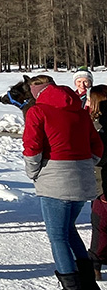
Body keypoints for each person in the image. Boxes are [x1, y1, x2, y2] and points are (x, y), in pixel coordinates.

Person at [23, 74, 103, 289]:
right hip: (83, 178)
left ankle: (71, 284)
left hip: (55, 180)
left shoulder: (37, 111)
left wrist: (33, 172)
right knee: (68, 229)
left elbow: (32, 147)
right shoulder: (79, 110)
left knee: (57, 236)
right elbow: (97, 145)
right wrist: (85, 164)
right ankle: (87, 281)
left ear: (37, 94)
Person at [88, 84, 107, 281]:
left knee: (100, 225)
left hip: (103, 184)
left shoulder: (99, 127)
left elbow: (100, 157)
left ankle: (94, 264)